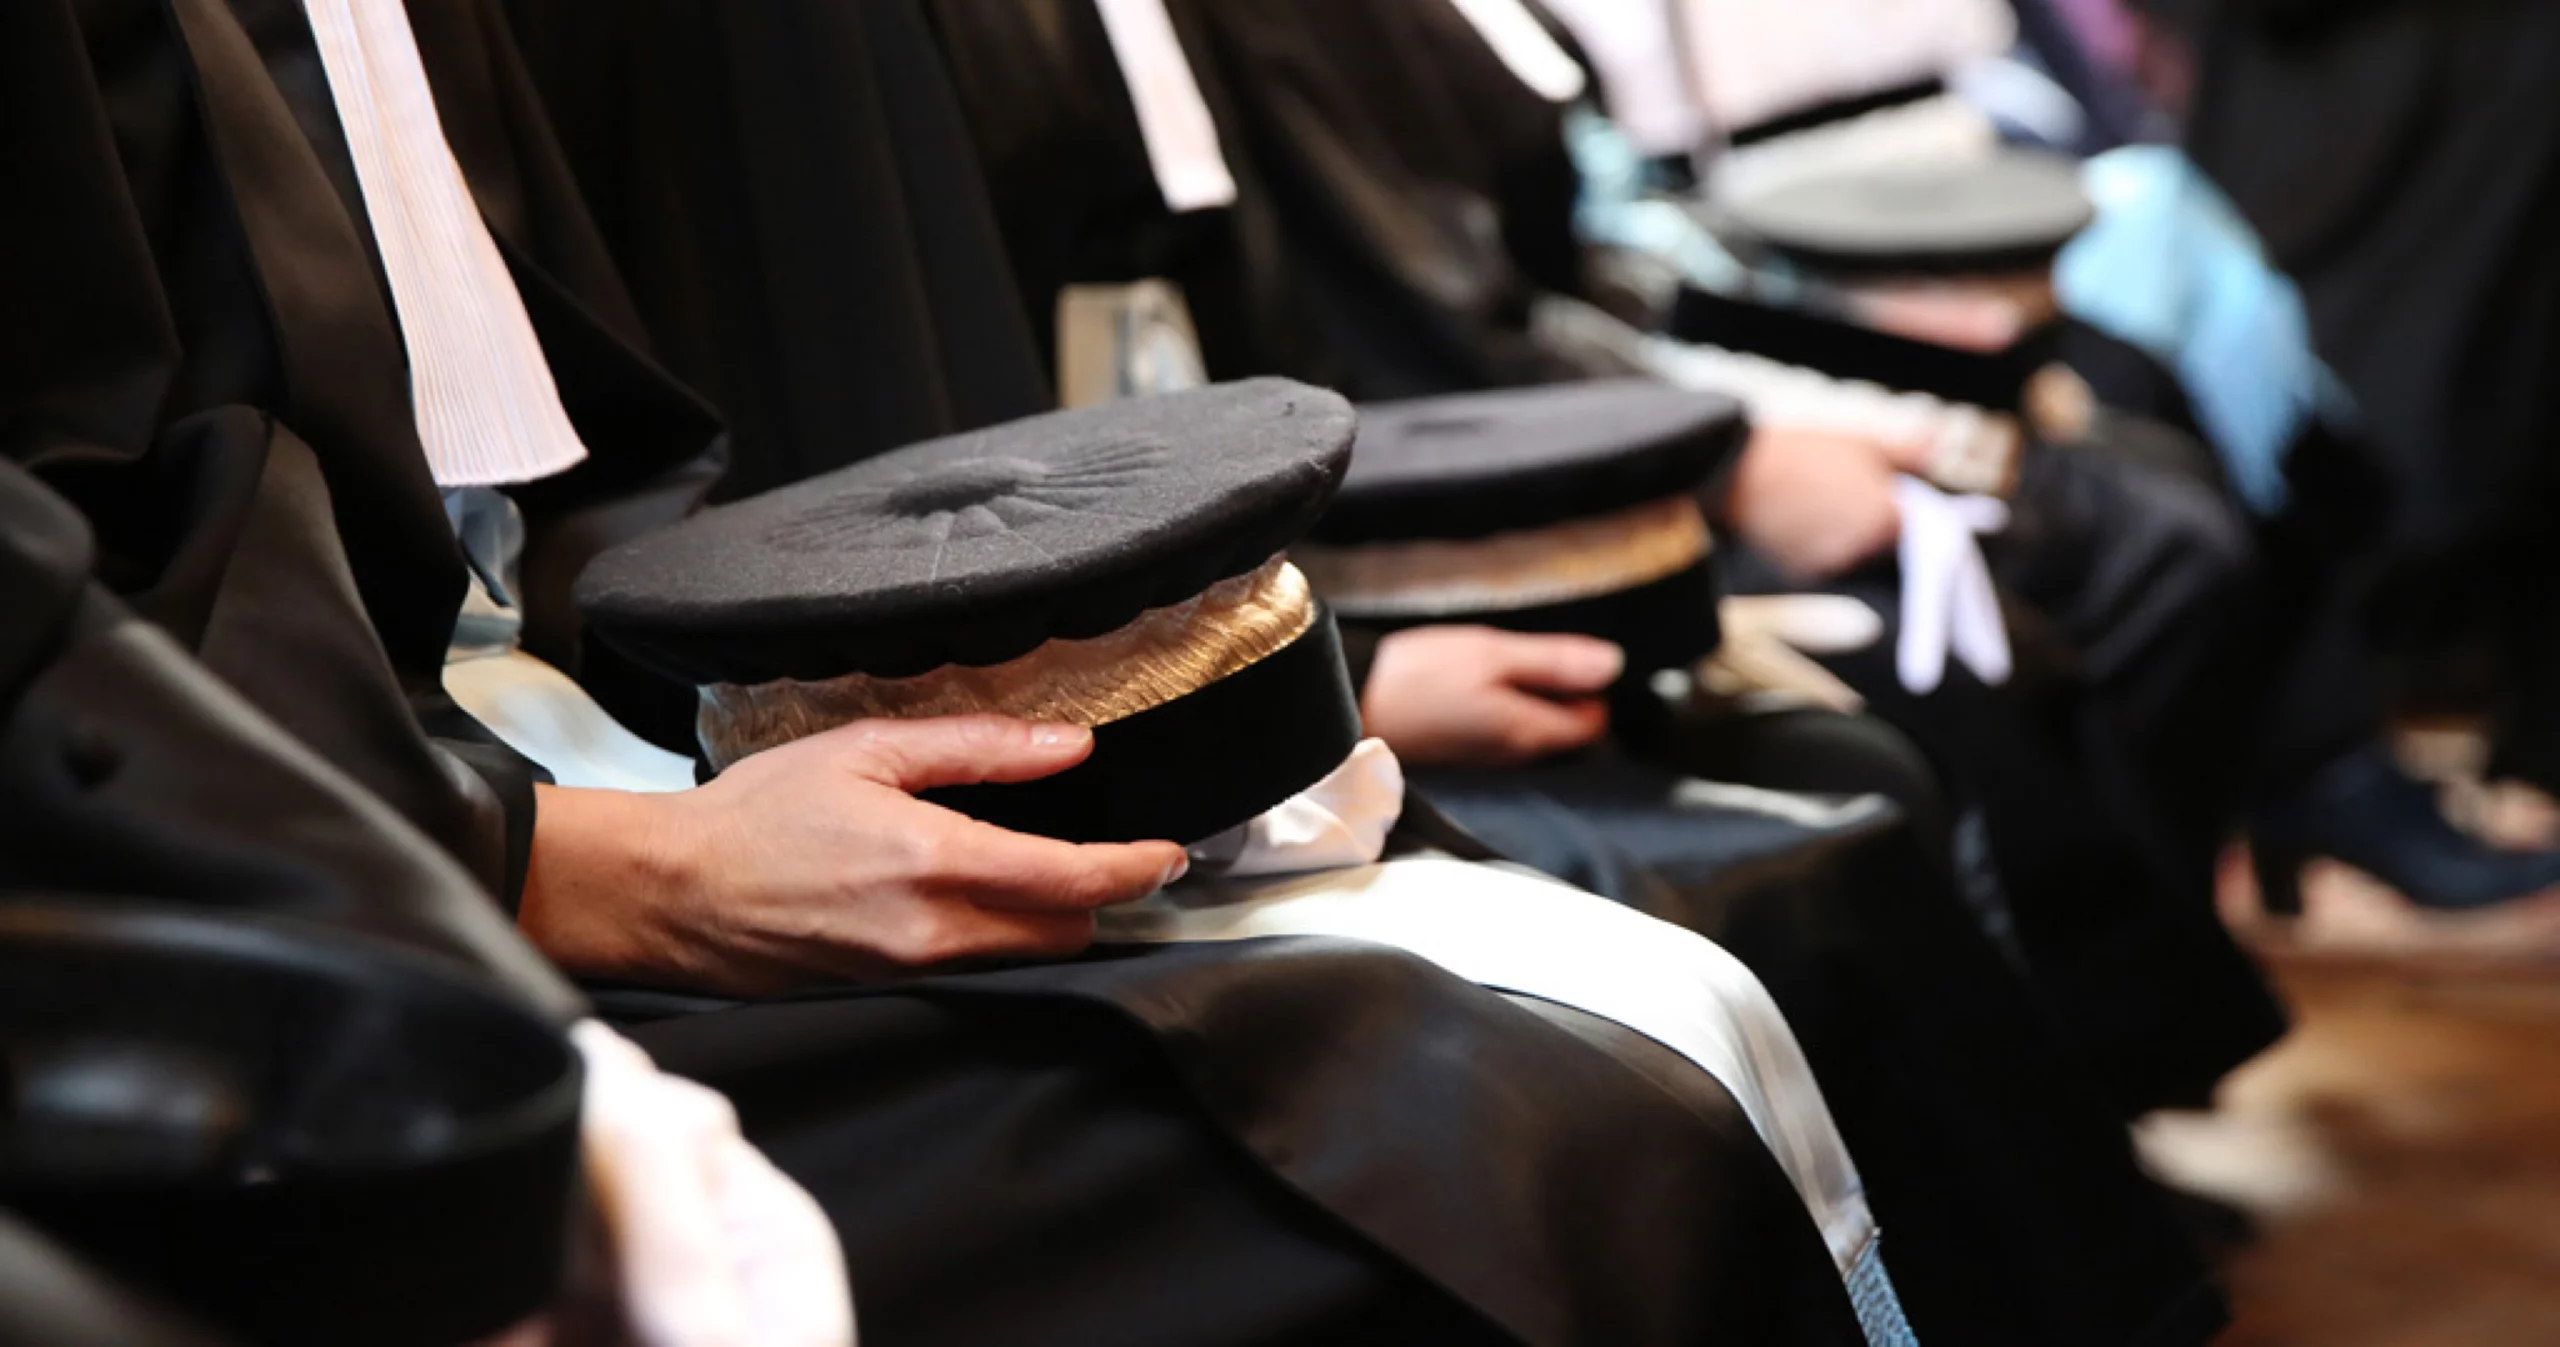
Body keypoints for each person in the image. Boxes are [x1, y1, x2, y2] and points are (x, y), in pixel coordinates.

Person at [6, 0, 1896, 1341]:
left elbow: (596, 459)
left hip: (517, 737)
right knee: (1515, 1107)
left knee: (1711, 937)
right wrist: (584, 854)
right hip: (268, 873)